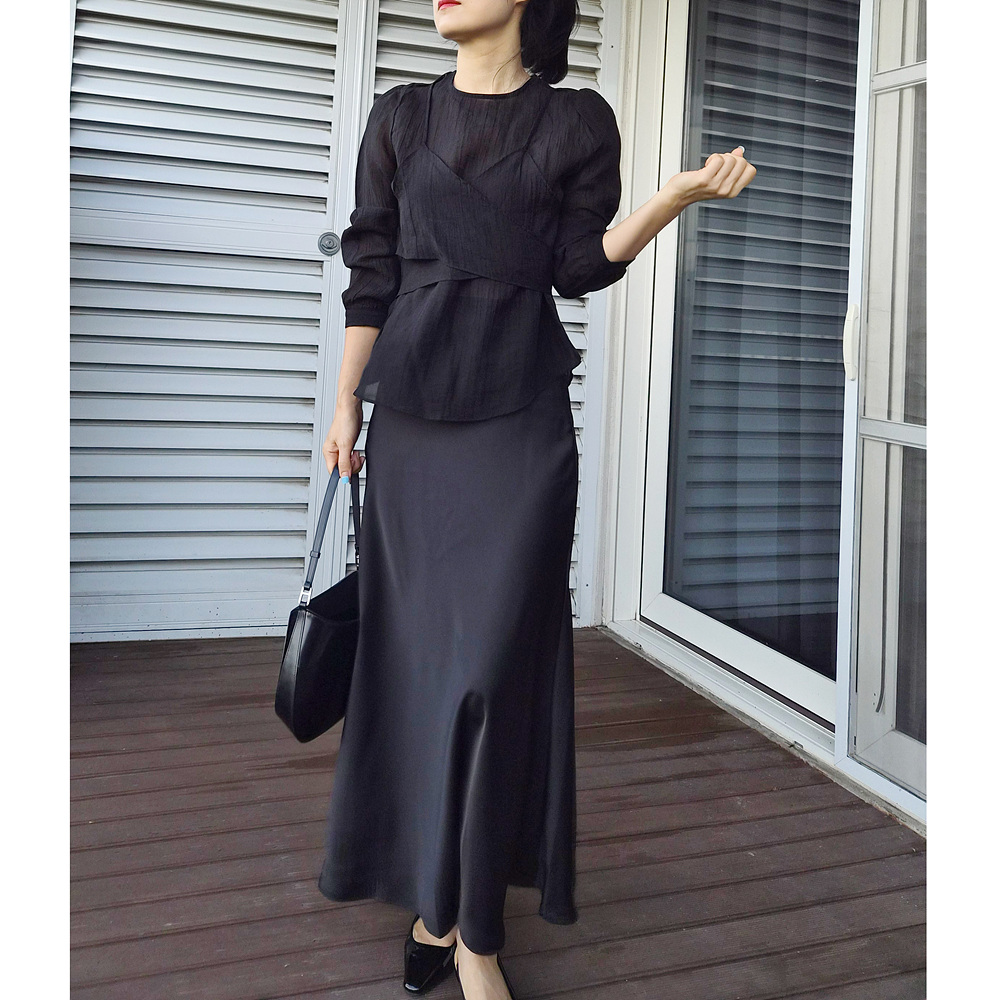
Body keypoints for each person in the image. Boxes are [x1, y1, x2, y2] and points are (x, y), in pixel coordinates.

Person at [317, 2, 756, 998]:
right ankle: (436, 904)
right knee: (423, 671)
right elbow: (371, 271)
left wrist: (671, 198)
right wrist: (344, 400)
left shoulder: (576, 122)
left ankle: (474, 930)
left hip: (520, 426)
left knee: (493, 674)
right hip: (414, 423)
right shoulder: (399, 116)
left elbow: (576, 267)